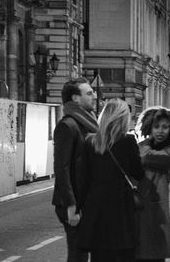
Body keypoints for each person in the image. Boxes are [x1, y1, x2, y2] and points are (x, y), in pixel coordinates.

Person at [79, 98, 145, 262]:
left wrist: (79, 208)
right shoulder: (128, 141)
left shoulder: (90, 142)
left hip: (96, 213)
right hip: (121, 212)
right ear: (123, 118)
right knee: (123, 256)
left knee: (99, 257)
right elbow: (139, 173)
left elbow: (83, 179)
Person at [52, 78, 98, 262]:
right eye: (89, 93)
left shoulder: (87, 123)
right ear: (75, 99)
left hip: (84, 200)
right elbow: (61, 169)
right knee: (78, 253)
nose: (93, 95)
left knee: (83, 251)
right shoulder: (67, 125)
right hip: (73, 204)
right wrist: (72, 206)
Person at [134, 107, 170, 262]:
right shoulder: (142, 146)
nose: (160, 131)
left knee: (155, 254)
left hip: (156, 212)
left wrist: (145, 142)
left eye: (164, 127)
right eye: (156, 127)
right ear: (149, 127)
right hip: (138, 207)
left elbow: (146, 156)